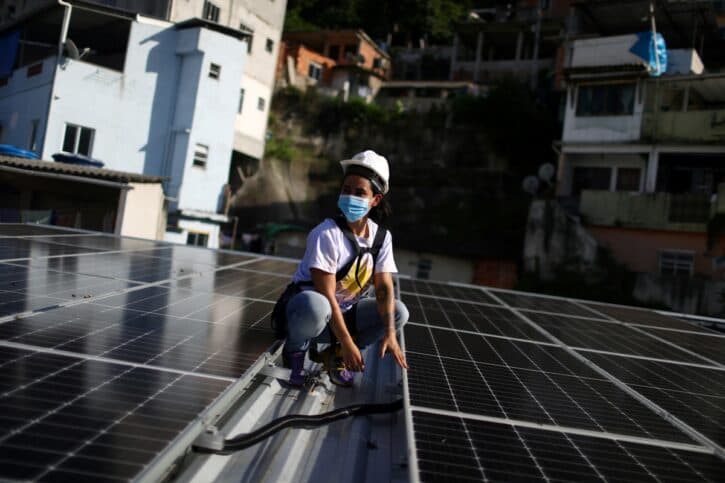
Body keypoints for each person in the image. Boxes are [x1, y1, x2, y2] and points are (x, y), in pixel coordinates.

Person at [281, 150, 409, 387]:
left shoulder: (381, 238)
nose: (351, 196)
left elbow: (383, 288)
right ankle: (294, 352)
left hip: (341, 318)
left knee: (398, 312)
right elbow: (327, 296)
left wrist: (390, 334)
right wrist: (349, 342)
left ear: (375, 200)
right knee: (316, 304)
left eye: (360, 192)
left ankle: (336, 355)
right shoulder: (326, 234)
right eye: (346, 190)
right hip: (308, 317)